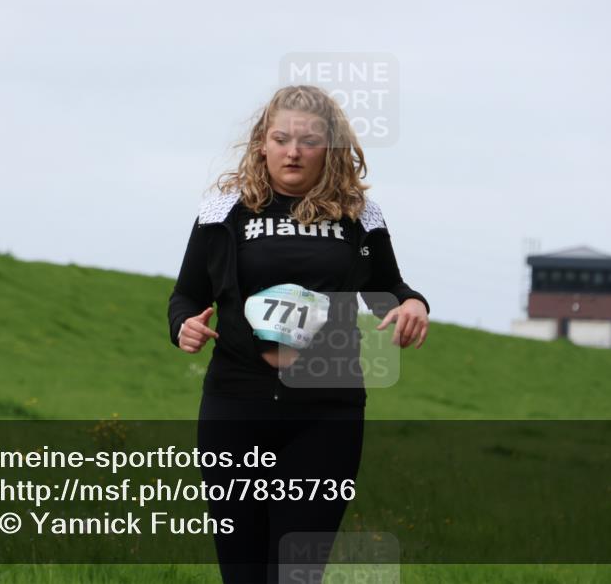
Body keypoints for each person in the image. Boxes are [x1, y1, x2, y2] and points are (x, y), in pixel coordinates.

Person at [167, 85, 430, 583]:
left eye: (308, 140)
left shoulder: (358, 217)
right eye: (281, 138)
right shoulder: (222, 211)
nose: (293, 151)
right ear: (261, 144)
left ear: (328, 149)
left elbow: (391, 286)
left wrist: (414, 304)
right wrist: (184, 326)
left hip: (326, 417)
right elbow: (184, 295)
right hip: (235, 408)